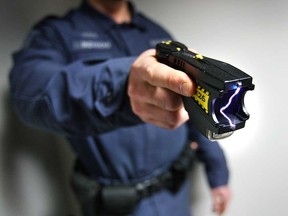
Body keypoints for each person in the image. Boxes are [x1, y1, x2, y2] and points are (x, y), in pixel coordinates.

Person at [9, 0, 231, 215]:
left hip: (176, 195)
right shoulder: (57, 34)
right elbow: (32, 92)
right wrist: (121, 85)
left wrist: (217, 170)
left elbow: (190, 101)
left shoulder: (155, 31)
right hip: (117, 205)